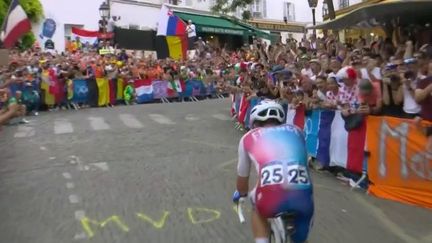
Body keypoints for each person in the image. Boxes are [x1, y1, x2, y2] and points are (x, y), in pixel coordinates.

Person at [232, 100, 314, 243]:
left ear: (255, 123)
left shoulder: (248, 137)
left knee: (256, 207)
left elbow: (242, 179)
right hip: (303, 196)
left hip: (270, 198)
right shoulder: (297, 131)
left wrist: (241, 194)